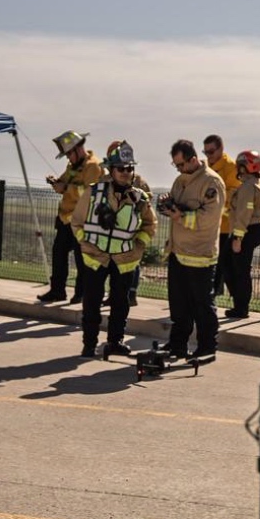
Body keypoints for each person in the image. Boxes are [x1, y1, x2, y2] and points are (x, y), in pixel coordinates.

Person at [70, 141, 157, 358]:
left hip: (124, 259)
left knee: (120, 304)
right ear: (112, 170)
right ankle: (89, 344)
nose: (126, 173)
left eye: (129, 168)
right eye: (121, 168)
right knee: (91, 304)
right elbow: (77, 222)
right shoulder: (94, 193)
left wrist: (139, 247)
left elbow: (150, 224)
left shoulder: (140, 198)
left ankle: (115, 342)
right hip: (95, 258)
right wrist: (85, 244)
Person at [156, 139, 225, 360]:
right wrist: (166, 203)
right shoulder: (180, 181)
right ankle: (177, 345)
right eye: (175, 166)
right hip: (178, 252)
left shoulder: (211, 182)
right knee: (178, 305)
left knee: (202, 305)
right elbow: (174, 205)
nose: (179, 169)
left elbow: (209, 218)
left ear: (193, 159)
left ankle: (207, 347)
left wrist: (181, 216)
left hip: (200, 255)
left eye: (181, 165)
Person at [39, 130, 103, 303]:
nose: (68, 158)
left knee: (81, 259)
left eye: (68, 154)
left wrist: (67, 188)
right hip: (66, 219)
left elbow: (90, 192)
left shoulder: (93, 166)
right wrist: (56, 183)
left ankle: (81, 293)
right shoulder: (73, 167)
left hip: (83, 221)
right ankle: (57, 290)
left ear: (78, 149)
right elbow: (65, 183)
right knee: (58, 253)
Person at [104, 140, 152, 307]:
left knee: (132, 264)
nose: (124, 172)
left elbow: (147, 204)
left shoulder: (138, 182)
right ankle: (114, 294)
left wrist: (140, 242)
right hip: (112, 236)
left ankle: (131, 293)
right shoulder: (105, 181)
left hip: (131, 234)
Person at [225, 150, 260, 320]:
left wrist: (238, 238)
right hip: (255, 228)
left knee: (237, 268)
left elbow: (244, 212)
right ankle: (240, 305)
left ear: (245, 167)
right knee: (237, 267)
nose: (238, 169)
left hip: (247, 230)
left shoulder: (248, 187)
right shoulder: (258, 184)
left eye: (240, 166)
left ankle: (241, 307)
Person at [202, 134, 242, 312]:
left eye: (211, 151)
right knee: (213, 264)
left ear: (221, 149)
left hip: (226, 226)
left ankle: (239, 304)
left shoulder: (230, 168)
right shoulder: (205, 167)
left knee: (227, 266)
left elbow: (233, 194)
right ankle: (209, 298)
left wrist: (214, 204)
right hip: (210, 225)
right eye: (206, 151)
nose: (208, 155)